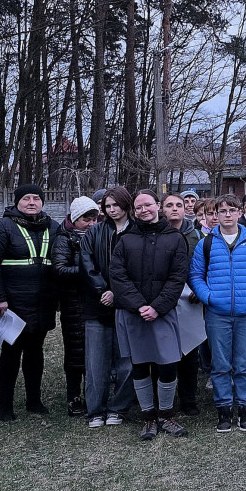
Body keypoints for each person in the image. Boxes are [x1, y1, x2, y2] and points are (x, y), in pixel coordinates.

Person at [110, 189, 191, 440]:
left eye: (148, 205)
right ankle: (148, 418)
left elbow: (178, 277)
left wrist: (157, 307)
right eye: (138, 207)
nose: (144, 210)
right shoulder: (124, 240)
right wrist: (139, 305)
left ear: (157, 205)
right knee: (140, 365)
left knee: (168, 364)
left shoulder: (176, 238)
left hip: (163, 312)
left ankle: (166, 415)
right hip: (134, 313)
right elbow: (118, 276)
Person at [190, 195, 246, 432]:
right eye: (221, 210)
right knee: (221, 364)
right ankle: (224, 411)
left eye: (231, 210)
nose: (226, 214)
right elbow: (195, 275)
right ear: (214, 215)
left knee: (244, 363)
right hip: (217, 314)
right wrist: (209, 297)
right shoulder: (205, 244)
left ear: (239, 213)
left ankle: (245, 410)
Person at [0, 184, 60, 422]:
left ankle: (34, 401)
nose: (31, 202)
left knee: (35, 352)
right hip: (13, 304)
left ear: (42, 202)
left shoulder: (53, 226)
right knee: (11, 354)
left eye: (36, 198)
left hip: (43, 301)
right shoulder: (3, 227)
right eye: (26, 198)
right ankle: (5, 406)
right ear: (17, 202)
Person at [79, 186, 136, 428]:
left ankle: (119, 407)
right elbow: (86, 263)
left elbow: (139, 268)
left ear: (126, 205)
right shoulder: (95, 232)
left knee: (126, 361)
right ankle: (95, 410)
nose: (112, 210)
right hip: (97, 305)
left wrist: (118, 293)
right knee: (95, 362)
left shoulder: (137, 232)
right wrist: (103, 290)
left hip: (127, 305)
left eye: (116, 205)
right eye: (108, 206)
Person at [52, 196, 100, 417]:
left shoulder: (99, 236)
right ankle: (74, 397)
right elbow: (60, 269)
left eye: (94, 219)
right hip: (73, 302)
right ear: (74, 218)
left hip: (95, 301)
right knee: (75, 352)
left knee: (95, 351)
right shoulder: (64, 239)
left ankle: (94, 395)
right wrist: (88, 272)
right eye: (85, 219)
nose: (91, 223)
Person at [162, 192, 205, 417]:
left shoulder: (195, 235)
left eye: (179, 205)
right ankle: (165, 401)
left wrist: (199, 289)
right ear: (162, 209)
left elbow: (203, 265)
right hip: (163, 301)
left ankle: (189, 400)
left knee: (190, 353)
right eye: (169, 205)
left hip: (190, 300)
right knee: (165, 353)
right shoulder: (157, 233)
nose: (175, 209)